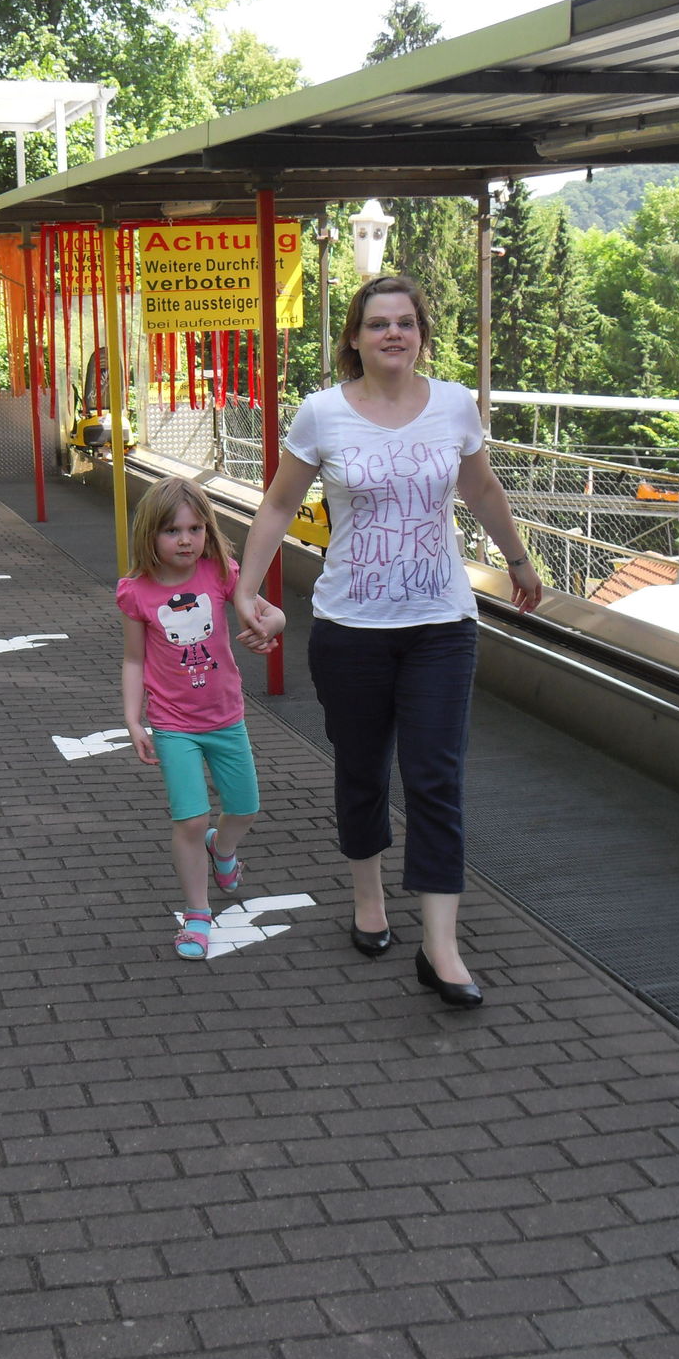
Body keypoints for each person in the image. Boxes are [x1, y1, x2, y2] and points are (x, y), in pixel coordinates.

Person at [234, 274, 541, 1007]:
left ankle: (441, 948)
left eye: (405, 322)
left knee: (435, 778)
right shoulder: (323, 413)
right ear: (355, 337)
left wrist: (519, 559)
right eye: (378, 324)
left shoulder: (455, 405)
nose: (393, 334)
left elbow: (482, 489)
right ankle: (368, 896)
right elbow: (278, 504)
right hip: (351, 630)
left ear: (422, 334)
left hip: (442, 625)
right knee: (364, 769)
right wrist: (246, 589)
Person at [119, 476, 284, 959]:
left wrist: (270, 626)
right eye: (172, 530)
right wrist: (134, 720)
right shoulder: (136, 592)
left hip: (226, 717)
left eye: (195, 529)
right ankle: (196, 915)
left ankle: (223, 848)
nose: (186, 540)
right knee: (190, 820)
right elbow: (133, 660)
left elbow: (270, 613)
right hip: (173, 725)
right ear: (149, 534)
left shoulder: (220, 573)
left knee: (245, 809)